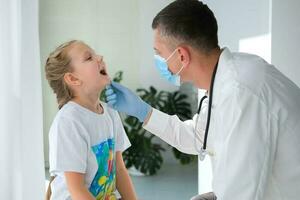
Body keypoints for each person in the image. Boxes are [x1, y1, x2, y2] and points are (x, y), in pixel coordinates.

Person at [105, 0, 300, 199]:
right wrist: (144, 112)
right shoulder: (226, 79)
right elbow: (199, 137)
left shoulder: (241, 92)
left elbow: (241, 193)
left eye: (159, 53)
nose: (158, 60)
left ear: (181, 55)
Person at [45, 40, 137, 200]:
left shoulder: (110, 112)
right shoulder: (69, 121)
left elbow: (119, 169)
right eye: (89, 58)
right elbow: (77, 189)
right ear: (73, 79)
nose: (100, 57)